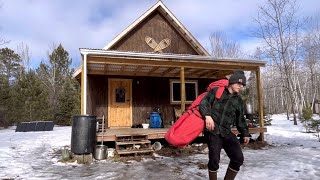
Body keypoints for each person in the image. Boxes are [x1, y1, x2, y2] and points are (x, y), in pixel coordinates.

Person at [199, 70, 250, 180]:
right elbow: (204, 103)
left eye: (242, 85)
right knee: (214, 160)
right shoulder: (217, 91)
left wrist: (245, 133)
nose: (240, 87)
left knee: (238, 159)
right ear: (232, 82)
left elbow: (240, 118)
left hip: (226, 132)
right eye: (238, 83)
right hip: (213, 130)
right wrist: (207, 116)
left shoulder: (238, 100)